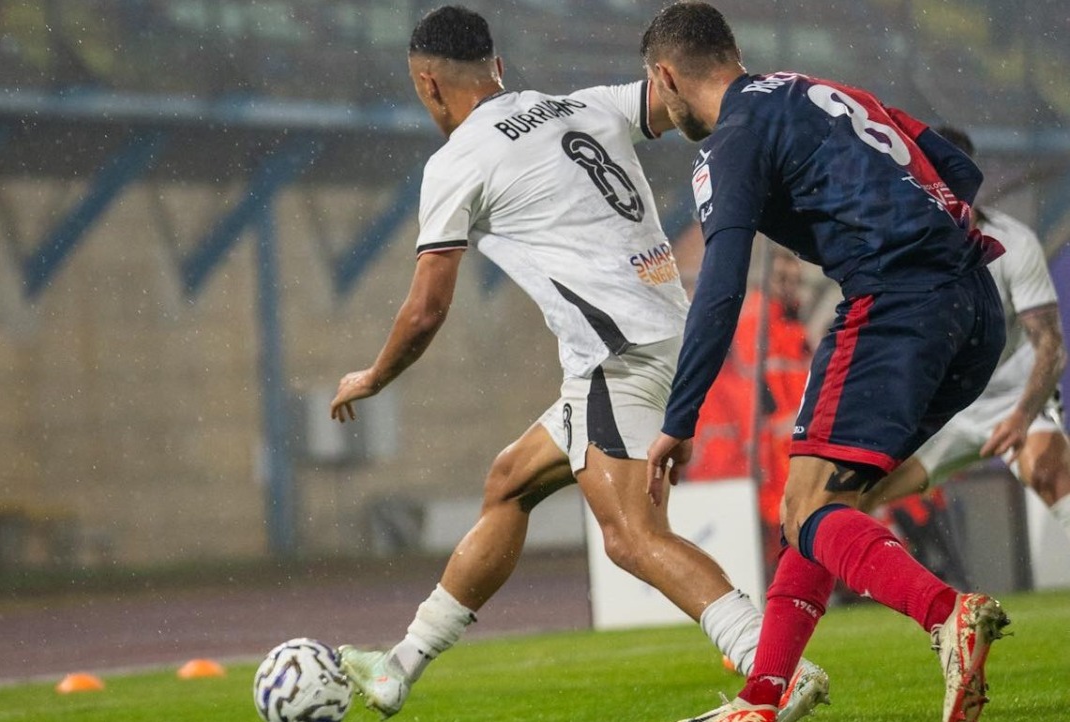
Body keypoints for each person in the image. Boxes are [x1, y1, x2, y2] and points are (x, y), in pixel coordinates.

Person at [329, 6, 827, 722]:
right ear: (497, 69)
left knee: (631, 536)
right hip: (663, 337)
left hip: (615, 355)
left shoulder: (457, 163)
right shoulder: (584, 105)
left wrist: (373, 377)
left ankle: (776, 668)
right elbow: (677, 100)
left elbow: (425, 311)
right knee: (509, 483)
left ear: (429, 86)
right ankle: (398, 669)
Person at [639, 4, 1011, 722]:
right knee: (815, 506)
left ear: (667, 75)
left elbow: (720, 290)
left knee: (808, 505)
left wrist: (679, 419)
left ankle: (946, 614)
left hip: (894, 303)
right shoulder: (820, 90)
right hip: (972, 302)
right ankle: (763, 699)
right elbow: (959, 169)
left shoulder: (731, 140)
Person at [859, 128, 1070, 539]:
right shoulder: (897, 250)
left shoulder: (1014, 242)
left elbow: (1049, 344)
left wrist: (1023, 415)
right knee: (850, 497)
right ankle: (807, 600)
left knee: (1054, 479)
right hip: (941, 409)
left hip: (1012, 401)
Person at [687, 250, 813, 576]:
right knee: (783, 526)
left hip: (787, 446)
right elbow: (752, 397)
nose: (789, 287)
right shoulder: (758, 323)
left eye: (794, 280)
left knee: (792, 524)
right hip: (768, 452)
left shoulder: (789, 326)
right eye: (782, 279)